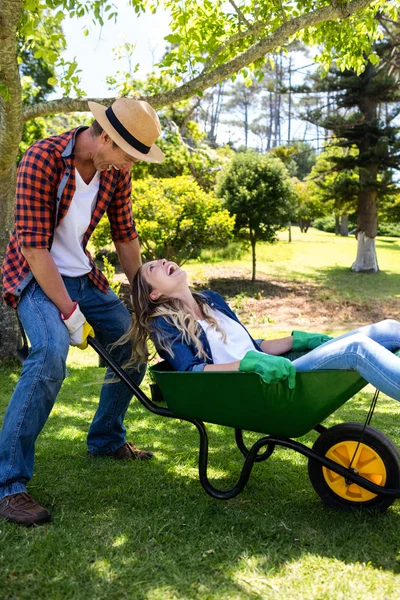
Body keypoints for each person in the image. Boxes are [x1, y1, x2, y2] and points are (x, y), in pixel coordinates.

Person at [0, 98, 165, 526]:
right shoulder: (41, 159)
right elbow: (35, 249)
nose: (129, 167)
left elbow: (126, 237)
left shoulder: (113, 173)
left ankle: (106, 438)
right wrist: (69, 313)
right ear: (106, 137)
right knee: (51, 353)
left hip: (84, 277)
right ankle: (8, 485)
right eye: (129, 156)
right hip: (36, 278)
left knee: (131, 348)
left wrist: (144, 296)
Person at [126, 259, 400, 402]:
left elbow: (251, 347)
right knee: (357, 349)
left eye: (161, 260)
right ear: (155, 294)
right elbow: (189, 372)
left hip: (274, 367)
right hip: (254, 385)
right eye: (153, 267)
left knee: (388, 328)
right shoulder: (164, 324)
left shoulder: (211, 300)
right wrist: (247, 365)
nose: (162, 262)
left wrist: (295, 341)